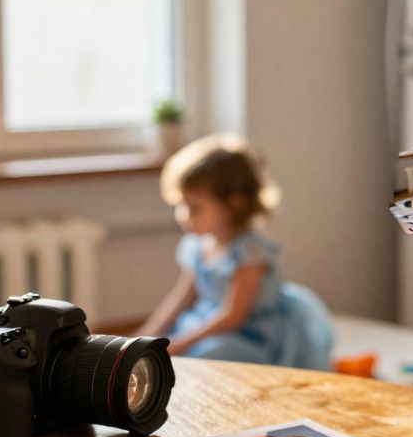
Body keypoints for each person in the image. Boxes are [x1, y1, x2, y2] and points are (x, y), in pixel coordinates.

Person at [136, 133, 334, 369]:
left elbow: (233, 317)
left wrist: (181, 344)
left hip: (250, 335)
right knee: (178, 348)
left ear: (234, 203)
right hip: (212, 324)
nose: (184, 216)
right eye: (182, 205)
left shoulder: (250, 252)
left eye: (195, 208)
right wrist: (148, 334)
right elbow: (182, 298)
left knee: (202, 357)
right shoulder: (198, 246)